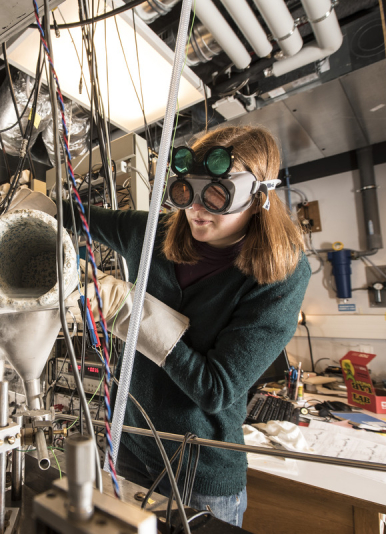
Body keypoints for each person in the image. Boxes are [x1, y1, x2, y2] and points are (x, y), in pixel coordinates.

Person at [63, 125, 310, 527]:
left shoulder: (281, 274)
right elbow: (74, 214)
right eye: (185, 191)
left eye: (216, 195)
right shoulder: (153, 234)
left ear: (258, 196)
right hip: (129, 447)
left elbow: (217, 389)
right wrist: (35, 206)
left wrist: (132, 313)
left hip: (199, 472)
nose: (196, 208)